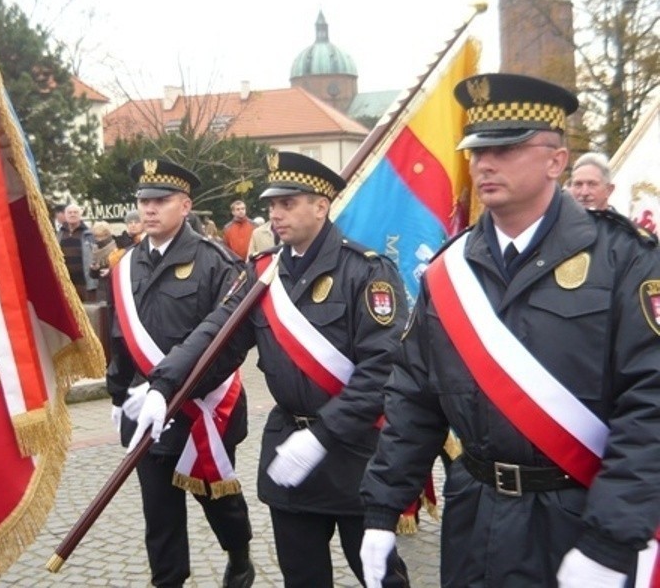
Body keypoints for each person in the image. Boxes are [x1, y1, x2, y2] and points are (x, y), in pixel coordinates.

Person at [359, 73, 660, 588]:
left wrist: (611, 539)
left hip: (577, 515)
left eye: (507, 147)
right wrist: (382, 509)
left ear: (556, 160)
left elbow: (651, 403)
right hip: (474, 513)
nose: (484, 163)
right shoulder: (449, 272)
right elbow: (413, 395)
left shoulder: (623, 260)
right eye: (477, 150)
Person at [134, 152, 411, 587]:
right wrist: (164, 385)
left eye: (288, 203)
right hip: (290, 451)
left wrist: (324, 434)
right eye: (272, 205)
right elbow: (216, 336)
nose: (275, 215)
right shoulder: (263, 273)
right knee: (301, 577)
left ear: (321, 205)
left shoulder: (366, 271)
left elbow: (384, 368)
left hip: (357, 453)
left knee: (379, 577)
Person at [108, 159, 254, 588]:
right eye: (143, 201)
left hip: (202, 406)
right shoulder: (126, 264)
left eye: (160, 201)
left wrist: (181, 390)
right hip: (146, 412)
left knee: (215, 499)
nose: (148, 209)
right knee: (159, 511)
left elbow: (229, 342)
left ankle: (240, 555)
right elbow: (119, 336)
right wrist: (119, 396)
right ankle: (168, 580)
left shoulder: (217, 263)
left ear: (185, 206)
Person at [58, 203, 97, 302]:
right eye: (70, 212)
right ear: (65, 215)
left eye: (75, 212)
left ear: (80, 215)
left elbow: (96, 255)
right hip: (66, 283)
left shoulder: (89, 234)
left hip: (84, 283)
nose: (72, 214)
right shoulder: (60, 234)